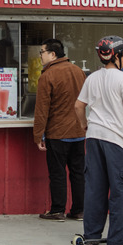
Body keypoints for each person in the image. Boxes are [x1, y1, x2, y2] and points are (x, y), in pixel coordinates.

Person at [74, 35, 123, 245]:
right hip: (117, 141)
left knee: (95, 189)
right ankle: (117, 240)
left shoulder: (92, 78)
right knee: (120, 190)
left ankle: (91, 235)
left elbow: (79, 106)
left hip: (94, 138)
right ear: (116, 55)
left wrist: (84, 125)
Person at [33, 38, 87, 221]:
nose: (40, 56)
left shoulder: (47, 75)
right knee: (78, 173)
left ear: (53, 54)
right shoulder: (79, 71)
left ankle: (57, 210)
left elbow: (42, 110)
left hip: (58, 133)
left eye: (42, 52)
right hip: (79, 133)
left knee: (58, 173)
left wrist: (38, 134)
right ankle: (79, 210)